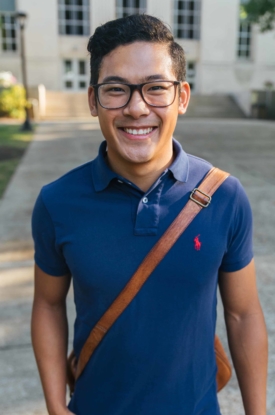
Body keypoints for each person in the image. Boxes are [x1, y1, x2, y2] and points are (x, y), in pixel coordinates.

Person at [31, 14, 267, 415]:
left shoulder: (225, 196)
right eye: (116, 90)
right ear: (93, 100)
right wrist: (55, 405)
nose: (137, 108)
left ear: (183, 96)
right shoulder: (57, 202)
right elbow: (48, 305)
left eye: (156, 88)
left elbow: (242, 314)